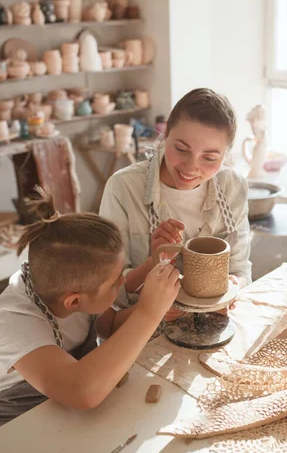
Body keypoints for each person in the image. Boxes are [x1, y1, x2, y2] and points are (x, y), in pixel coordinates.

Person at [0, 187, 180, 426]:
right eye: (114, 282)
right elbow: (83, 392)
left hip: (67, 413)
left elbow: (111, 326)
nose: (124, 281)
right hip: (18, 427)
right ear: (74, 301)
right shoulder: (14, 322)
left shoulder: (64, 286)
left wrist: (158, 307)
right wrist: (148, 312)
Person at [100, 88, 252, 317]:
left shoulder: (234, 187)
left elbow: (241, 270)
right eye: (181, 149)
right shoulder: (123, 187)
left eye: (209, 158)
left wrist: (234, 286)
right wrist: (154, 262)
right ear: (166, 133)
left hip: (213, 320)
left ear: (225, 155)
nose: (191, 167)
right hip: (147, 328)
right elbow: (110, 293)